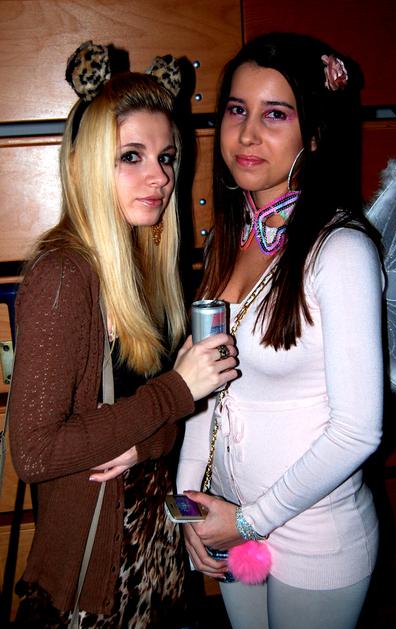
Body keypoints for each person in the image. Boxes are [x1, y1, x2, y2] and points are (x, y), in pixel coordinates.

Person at [8, 42, 237, 628]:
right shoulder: (64, 276)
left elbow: (160, 425)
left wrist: (147, 440)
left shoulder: (144, 272)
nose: (159, 177)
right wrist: (174, 392)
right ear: (89, 164)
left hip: (154, 559)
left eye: (166, 157)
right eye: (131, 156)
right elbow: (33, 452)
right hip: (100, 584)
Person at [176, 32, 384, 629]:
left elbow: (358, 430)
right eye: (237, 110)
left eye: (275, 114)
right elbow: (206, 389)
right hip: (229, 519)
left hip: (313, 535)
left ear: (313, 135)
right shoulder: (230, 240)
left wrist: (247, 521)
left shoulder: (340, 251)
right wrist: (190, 505)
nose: (247, 135)